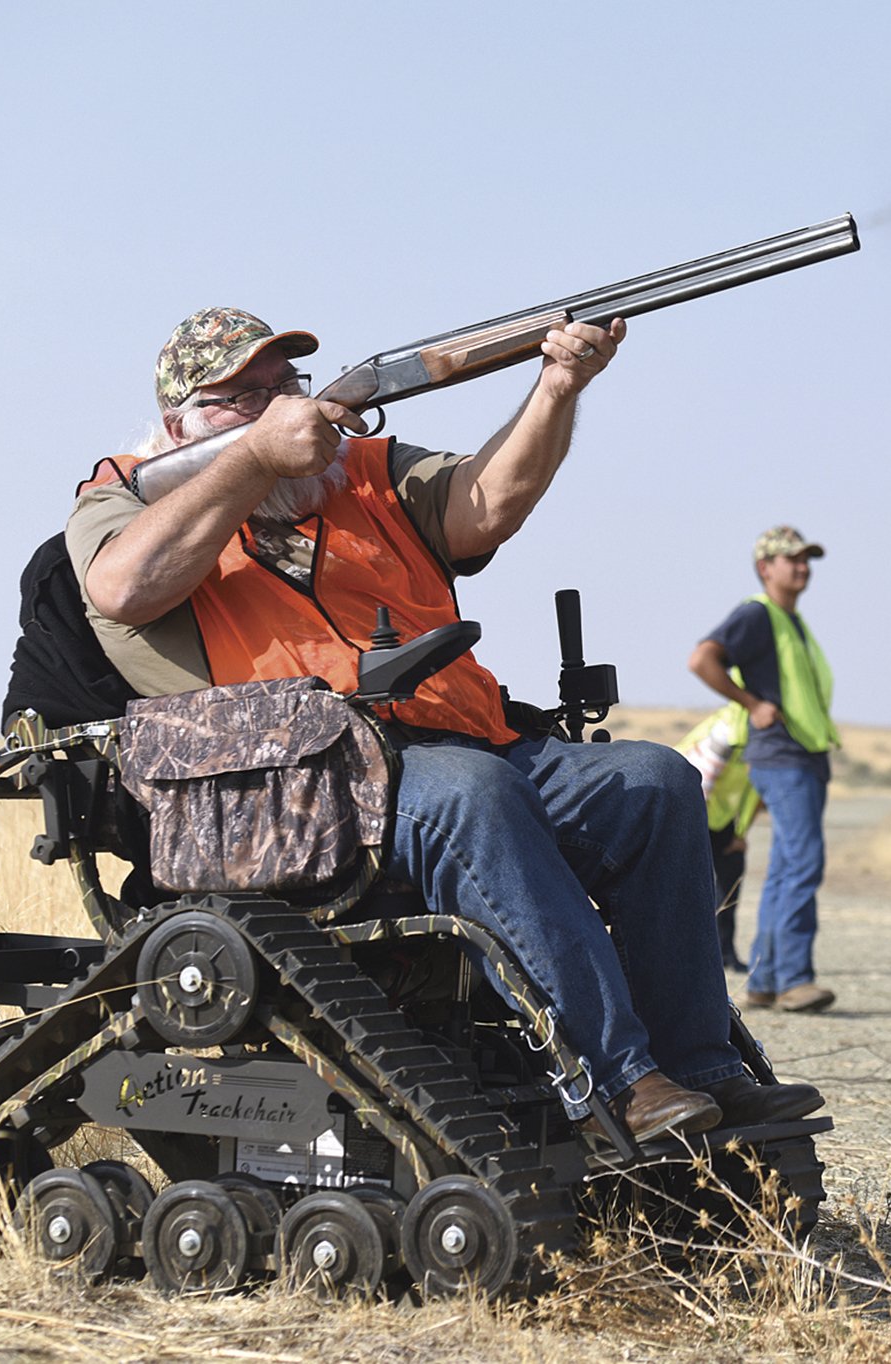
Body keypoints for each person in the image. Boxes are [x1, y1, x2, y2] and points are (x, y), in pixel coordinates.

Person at [67, 306, 821, 1142]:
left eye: (287, 385)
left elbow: (486, 506)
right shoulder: (124, 495)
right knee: (471, 793)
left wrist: (558, 385)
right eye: (246, 397)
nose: (282, 405)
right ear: (182, 424)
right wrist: (254, 458)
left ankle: (704, 1070)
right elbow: (124, 587)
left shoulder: (365, 469)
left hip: (458, 745)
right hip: (293, 793)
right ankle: (616, 1085)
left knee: (654, 781)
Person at [688, 527, 839, 1013]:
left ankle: (765, 980)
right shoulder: (757, 614)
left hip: (802, 756)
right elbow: (702, 660)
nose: (802, 567)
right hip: (784, 756)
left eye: (806, 559)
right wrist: (752, 703)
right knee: (803, 863)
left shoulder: (790, 621)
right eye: (791, 559)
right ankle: (795, 979)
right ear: (765, 568)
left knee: (787, 867)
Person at [674, 703, 759, 971]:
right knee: (690, 886)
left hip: (721, 819)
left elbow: (754, 792)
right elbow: (701, 782)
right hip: (687, 810)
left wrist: (741, 833)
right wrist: (690, 828)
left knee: (731, 878)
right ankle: (686, 957)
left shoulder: (763, 741)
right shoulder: (728, 729)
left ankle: (725, 953)